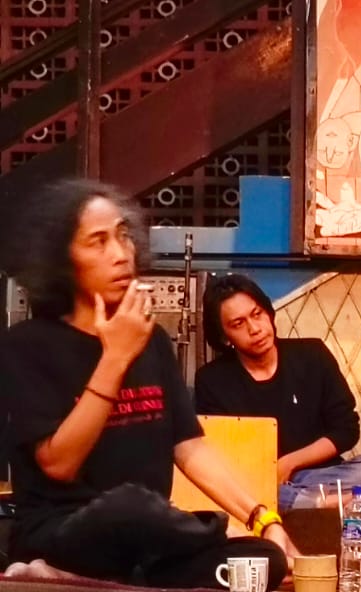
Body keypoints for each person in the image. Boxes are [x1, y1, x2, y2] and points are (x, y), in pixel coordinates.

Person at [0, 179, 293, 588]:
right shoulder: (27, 345)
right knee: (130, 505)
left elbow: (190, 447)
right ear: (62, 260)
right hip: (64, 534)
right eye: (98, 242)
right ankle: (181, 545)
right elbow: (59, 464)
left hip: (149, 544)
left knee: (264, 561)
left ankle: (131, 578)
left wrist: (263, 519)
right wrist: (115, 357)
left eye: (123, 235)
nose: (121, 254)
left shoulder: (151, 339)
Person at [196, 274, 361, 511]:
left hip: (318, 475)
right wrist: (268, 474)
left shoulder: (312, 355)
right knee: (237, 486)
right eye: (238, 324)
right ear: (224, 337)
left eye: (257, 314)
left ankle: (298, 501)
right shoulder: (212, 380)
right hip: (255, 479)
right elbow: (217, 455)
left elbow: (346, 430)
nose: (255, 329)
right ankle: (321, 503)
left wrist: (289, 464)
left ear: (268, 312)